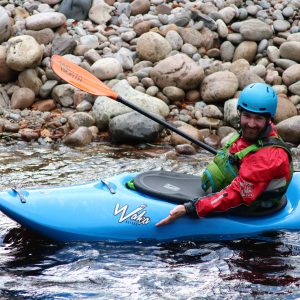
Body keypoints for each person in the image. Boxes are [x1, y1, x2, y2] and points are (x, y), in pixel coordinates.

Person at [156, 82, 293, 227]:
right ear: (239, 113)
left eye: (258, 118)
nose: (251, 124)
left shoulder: (269, 156)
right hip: (244, 188)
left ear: (268, 119)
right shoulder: (256, 135)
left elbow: (238, 194)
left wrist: (191, 208)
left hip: (251, 207)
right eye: (247, 116)